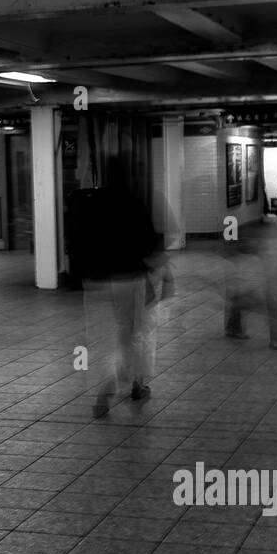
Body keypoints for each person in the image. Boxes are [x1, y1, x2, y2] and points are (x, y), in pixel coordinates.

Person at [70, 154, 165, 417]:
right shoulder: (133, 203)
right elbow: (148, 244)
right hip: (128, 279)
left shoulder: (90, 203)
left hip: (96, 283)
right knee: (135, 333)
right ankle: (132, 384)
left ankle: (110, 390)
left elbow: (77, 243)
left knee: (103, 338)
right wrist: (160, 276)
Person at [223, 220, 277, 350]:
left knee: (239, 301)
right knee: (272, 305)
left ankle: (233, 328)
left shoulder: (246, 255)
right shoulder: (253, 257)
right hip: (252, 283)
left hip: (249, 283)